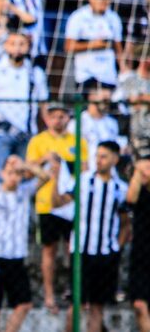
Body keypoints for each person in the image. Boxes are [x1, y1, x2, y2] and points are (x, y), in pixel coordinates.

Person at [54, 141, 129, 332]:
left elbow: (125, 223)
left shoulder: (120, 188)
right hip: (81, 252)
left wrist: (116, 249)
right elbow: (58, 202)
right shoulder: (83, 181)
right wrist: (54, 179)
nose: (99, 160)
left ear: (115, 159)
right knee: (76, 305)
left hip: (105, 254)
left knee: (97, 307)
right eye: (97, 156)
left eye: (104, 156)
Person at [26, 103, 88, 312]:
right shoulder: (38, 141)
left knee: (75, 250)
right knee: (49, 250)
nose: (57, 120)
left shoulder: (77, 140)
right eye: (54, 116)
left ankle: (76, 293)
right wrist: (45, 159)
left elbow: (85, 169)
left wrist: (66, 166)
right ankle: (49, 296)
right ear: (47, 118)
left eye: (62, 116)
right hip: (46, 204)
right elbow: (27, 171)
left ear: (68, 119)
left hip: (71, 203)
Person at [0, 156, 50, 332]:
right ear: (2, 174)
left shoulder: (24, 192)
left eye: (17, 174)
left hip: (16, 256)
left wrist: (24, 164)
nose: (13, 177)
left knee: (24, 303)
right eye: (10, 173)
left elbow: (46, 177)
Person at [0, 31, 49, 182]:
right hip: (0, 131)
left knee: (24, 178)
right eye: (13, 44)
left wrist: (48, 127)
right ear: (5, 46)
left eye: (22, 44)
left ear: (29, 47)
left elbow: (43, 105)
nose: (17, 48)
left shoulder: (35, 73)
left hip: (27, 133)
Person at [65, 0, 125, 89]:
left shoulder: (113, 18)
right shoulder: (78, 17)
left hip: (108, 75)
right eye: (100, 0)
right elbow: (68, 46)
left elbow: (118, 48)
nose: (103, 5)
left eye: (106, 1)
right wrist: (94, 45)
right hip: (86, 75)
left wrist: (124, 70)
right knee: (96, 101)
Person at [69, 82, 120, 165]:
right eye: (104, 100)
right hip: (86, 170)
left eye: (108, 101)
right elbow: (71, 149)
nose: (107, 104)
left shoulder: (112, 123)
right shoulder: (78, 122)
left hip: (108, 170)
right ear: (91, 97)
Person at [127, 156, 150, 332]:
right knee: (139, 305)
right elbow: (130, 199)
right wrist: (137, 172)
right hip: (141, 257)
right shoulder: (140, 195)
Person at [118, 49, 150, 163]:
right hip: (137, 131)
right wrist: (142, 98)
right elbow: (133, 101)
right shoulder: (131, 79)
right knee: (140, 164)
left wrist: (143, 98)